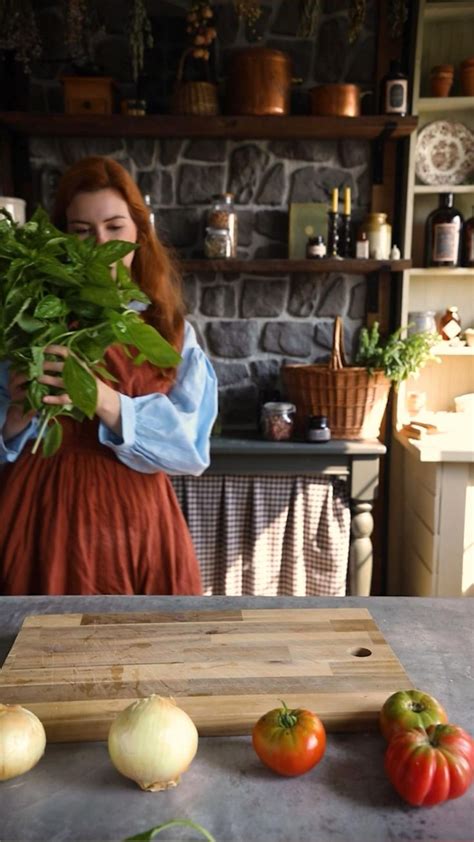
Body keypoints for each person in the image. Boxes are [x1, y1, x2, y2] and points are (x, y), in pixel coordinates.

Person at [0, 156, 218, 595]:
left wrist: (103, 400)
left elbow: (191, 450)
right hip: (40, 521)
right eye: (82, 231)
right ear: (62, 237)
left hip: (138, 527)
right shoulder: (26, 322)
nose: (99, 244)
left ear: (139, 232)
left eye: (114, 227)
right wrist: (15, 420)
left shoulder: (170, 332)